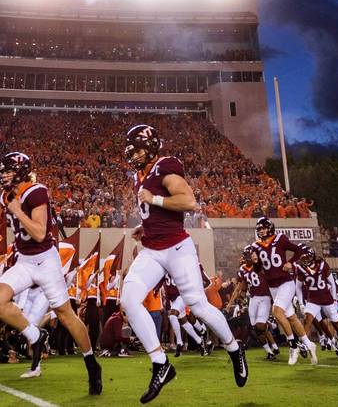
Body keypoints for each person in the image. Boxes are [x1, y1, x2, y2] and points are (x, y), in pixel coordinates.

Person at [118, 125, 247, 403]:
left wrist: (154, 199)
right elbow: (158, 211)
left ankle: (234, 349)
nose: (133, 155)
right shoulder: (139, 175)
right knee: (128, 299)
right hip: (152, 249)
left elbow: (189, 202)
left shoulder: (165, 165)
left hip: (177, 247)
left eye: (138, 149)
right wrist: (145, 224)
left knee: (197, 305)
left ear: (151, 147)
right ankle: (161, 363)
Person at [0, 152, 102, 394]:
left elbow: (39, 233)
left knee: (66, 314)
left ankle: (91, 363)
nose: (3, 175)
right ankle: (36, 336)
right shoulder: (6, 195)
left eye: (8, 170)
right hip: (24, 261)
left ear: (20, 171)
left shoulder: (36, 191)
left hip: (46, 260)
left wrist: (17, 211)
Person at [249, 216, 318, 366]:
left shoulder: (280, 238)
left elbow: (298, 250)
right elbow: (258, 268)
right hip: (272, 286)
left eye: (263, 228)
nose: (261, 231)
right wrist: (255, 263)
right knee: (291, 317)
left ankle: (293, 346)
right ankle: (308, 343)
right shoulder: (256, 246)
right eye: (259, 229)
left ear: (270, 227)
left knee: (277, 311)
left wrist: (291, 263)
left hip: (286, 283)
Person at [296, 251, 338, 361]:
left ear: (312, 259)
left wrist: (335, 300)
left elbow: (332, 283)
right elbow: (297, 287)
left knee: (336, 325)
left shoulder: (323, 265)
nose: (304, 262)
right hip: (312, 299)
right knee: (307, 319)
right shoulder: (301, 269)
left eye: (306, 259)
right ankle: (304, 343)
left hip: (326, 299)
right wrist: (301, 303)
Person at [225, 248, 279, 360]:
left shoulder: (261, 265)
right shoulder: (242, 270)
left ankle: (269, 326)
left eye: (252, 255)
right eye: (248, 255)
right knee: (255, 327)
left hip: (265, 297)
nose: (250, 257)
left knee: (260, 325)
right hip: (253, 298)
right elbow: (242, 287)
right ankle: (270, 351)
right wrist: (236, 302)